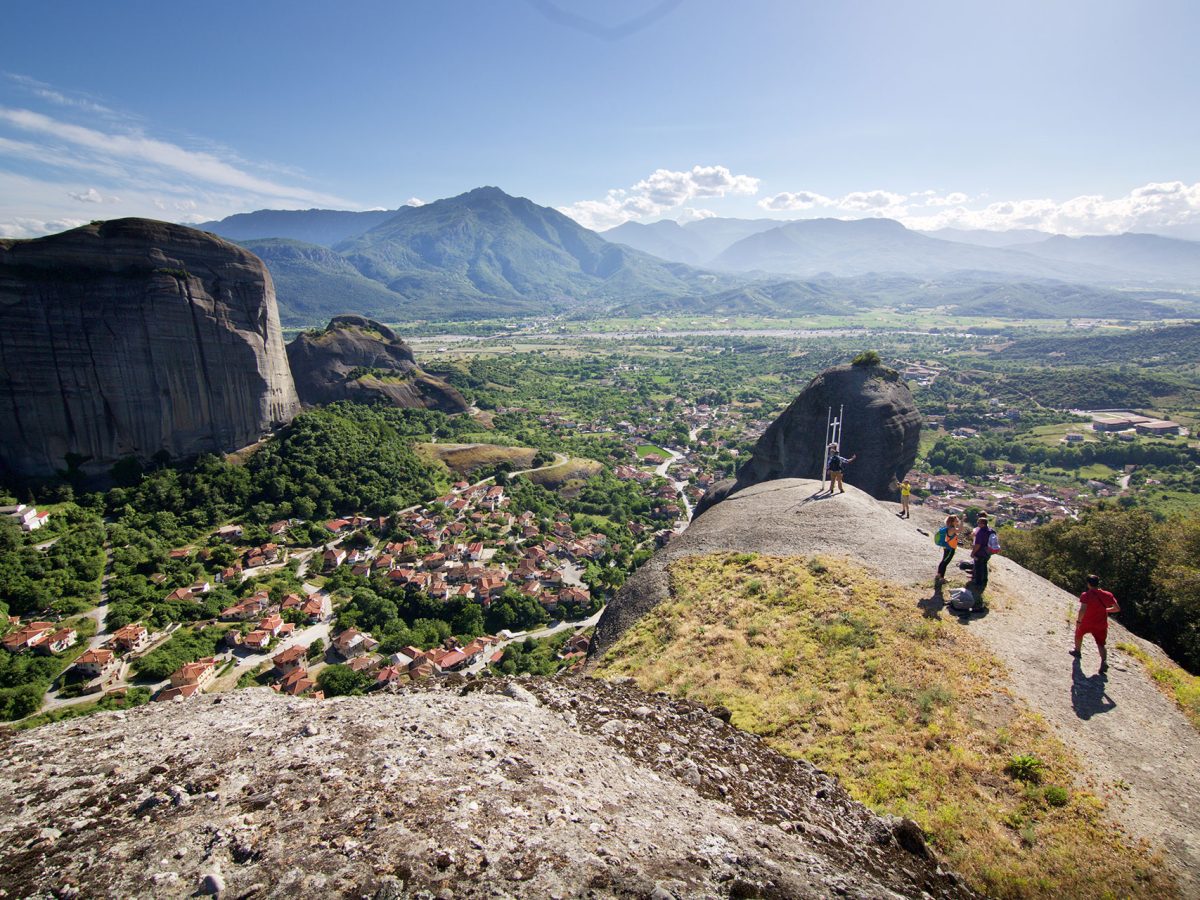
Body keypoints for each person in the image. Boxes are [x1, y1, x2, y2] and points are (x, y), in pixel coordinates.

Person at [1071, 574, 1120, 670]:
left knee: (1078, 634)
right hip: (1101, 624)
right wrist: (1105, 610)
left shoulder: (1086, 595)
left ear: (1088, 584)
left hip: (1086, 622)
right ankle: (1104, 661)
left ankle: (1077, 651)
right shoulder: (1108, 595)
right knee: (1101, 643)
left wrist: (1079, 621)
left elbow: (1082, 610)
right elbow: (1117, 608)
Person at [970, 512, 995, 597]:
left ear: (982, 524)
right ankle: (984, 581)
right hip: (988, 552)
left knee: (978, 567)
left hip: (980, 553)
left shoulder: (980, 532)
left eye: (978, 523)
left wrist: (973, 553)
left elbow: (978, 545)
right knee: (984, 566)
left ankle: (978, 584)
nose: (977, 524)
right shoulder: (991, 530)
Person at [934, 514, 959, 586]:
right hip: (950, 548)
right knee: (945, 562)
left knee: (943, 561)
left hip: (947, 547)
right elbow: (960, 530)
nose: (958, 521)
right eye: (956, 520)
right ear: (952, 522)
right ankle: (942, 578)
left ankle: (939, 575)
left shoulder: (950, 527)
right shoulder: (952, 529)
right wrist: (963, 520)